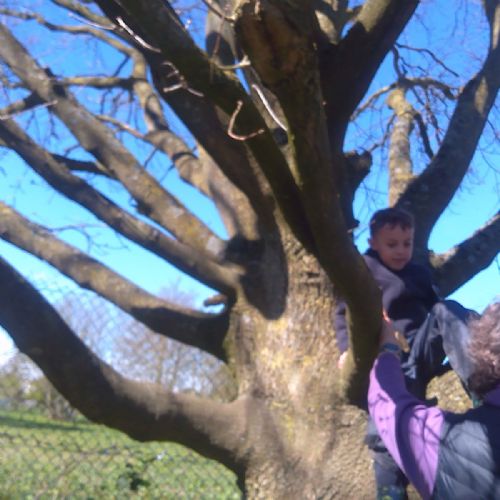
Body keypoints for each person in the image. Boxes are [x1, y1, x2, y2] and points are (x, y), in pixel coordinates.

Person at [334, 207, 476, 499]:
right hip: (387, 356)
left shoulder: (419, 272)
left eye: (407, 243)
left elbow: (436, 310)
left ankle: (480, 385)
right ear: (373, 242)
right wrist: (346, 349)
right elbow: (341, 313)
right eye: (392, 244)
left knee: (446, 309)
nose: (401, 251)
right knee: (385, 420)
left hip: (420, 346)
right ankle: (390, 488)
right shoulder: (363, 270)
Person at [369, 302, 500, 499]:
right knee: (444, 310)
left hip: (409, 353)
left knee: (445, 311)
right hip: (414, 354)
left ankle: (389, 486)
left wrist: (388, 348)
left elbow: (388, 411)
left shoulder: (458, 446)